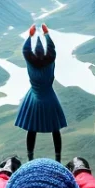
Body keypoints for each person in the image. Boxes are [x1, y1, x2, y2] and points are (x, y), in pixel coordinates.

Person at [15, 23, 67, 163]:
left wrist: (30, 36)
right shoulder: (50, 61)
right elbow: (52, 49)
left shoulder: (30, 62)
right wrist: (46, 34)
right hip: (49, 97)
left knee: (32, 129)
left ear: (34, 54)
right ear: (44, 52)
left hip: (34, 98)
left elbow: (25, 50)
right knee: (55, 129)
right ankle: (58, 156)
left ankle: (30, 156)